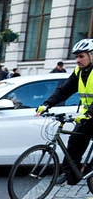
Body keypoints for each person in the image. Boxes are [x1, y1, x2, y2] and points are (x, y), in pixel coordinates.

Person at [36, 38, 93, 185]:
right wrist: (47, 104)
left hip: (90, 115)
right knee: (74, 144)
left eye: (81, 56)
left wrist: (89, 114)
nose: (77, 60)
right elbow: (64, 90)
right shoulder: (79, 72)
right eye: (76, 57)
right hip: (87, 117)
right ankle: (70, 176)